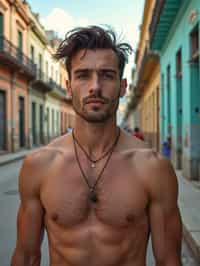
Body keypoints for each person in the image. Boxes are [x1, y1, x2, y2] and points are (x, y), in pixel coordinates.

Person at [11, 26, 182, 266]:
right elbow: (27, 256)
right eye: (83, 75)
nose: (95, 87)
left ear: (122, 87)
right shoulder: (39, 165)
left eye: (107, 75)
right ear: (69, 87)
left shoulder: (153, 168)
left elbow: (169, 260)